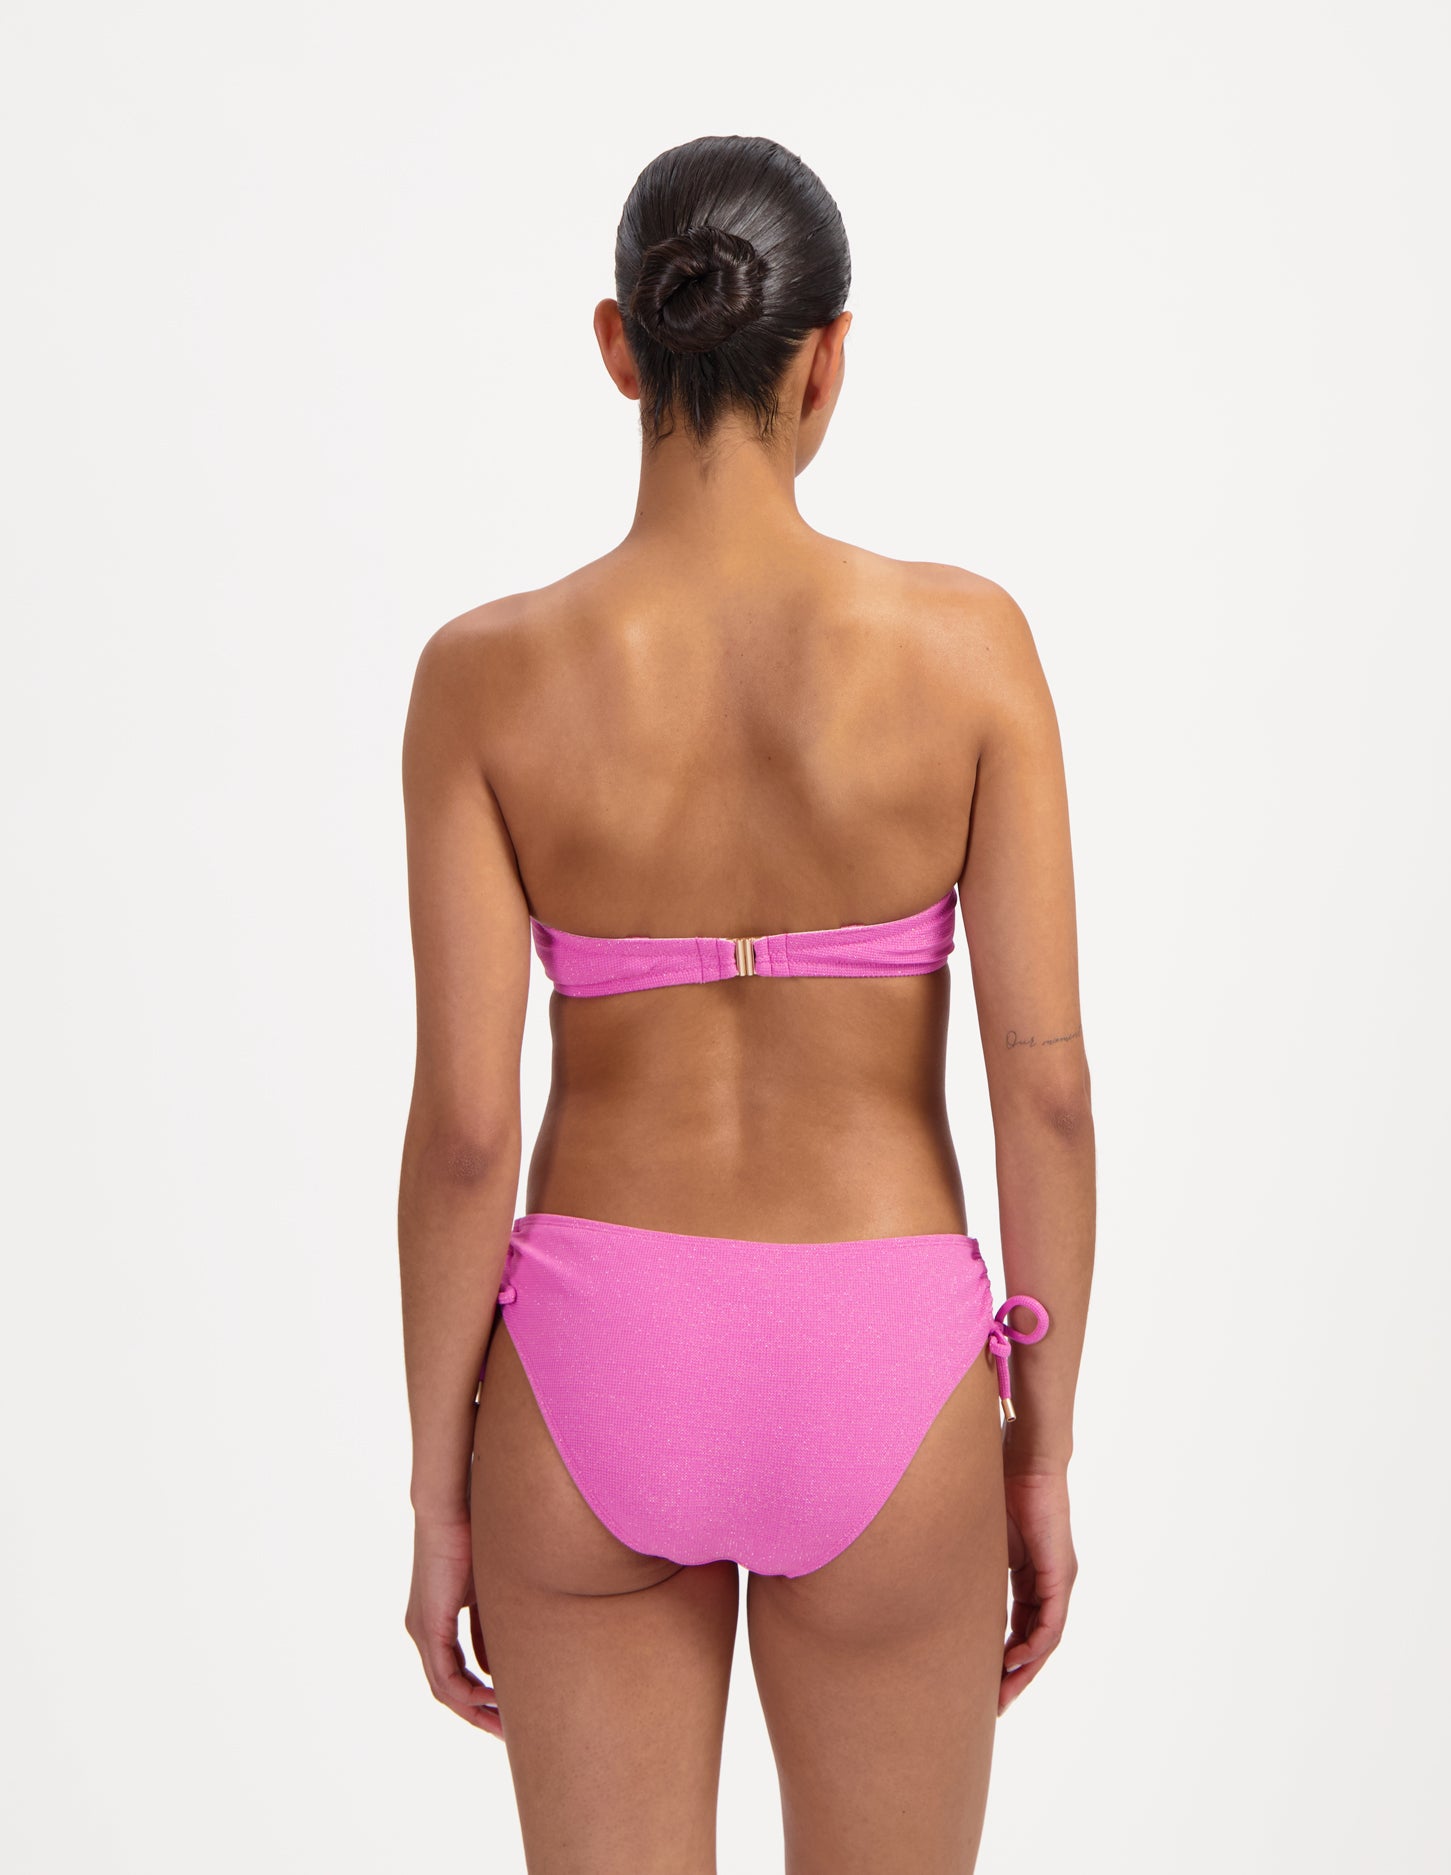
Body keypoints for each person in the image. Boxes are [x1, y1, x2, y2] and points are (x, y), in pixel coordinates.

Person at [398, 132, 1094, 1875]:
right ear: (828, 357)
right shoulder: (970, 649)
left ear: (618, 346)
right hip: (886, 1367)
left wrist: (436, 1486)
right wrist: (1040, 1459)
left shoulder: (483, 677)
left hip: (590, 1363)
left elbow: (469, 1130)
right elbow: (1049, 1096)